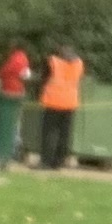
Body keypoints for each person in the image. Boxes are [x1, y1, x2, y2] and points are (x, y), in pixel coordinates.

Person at [38, 41, 83, 170]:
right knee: (64, 134)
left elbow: (44, 78)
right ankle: (58, 162)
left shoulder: (52, 61)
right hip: (70, 102)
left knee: (49, 133)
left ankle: (46, 162)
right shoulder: (79, 63)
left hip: (53, 101)